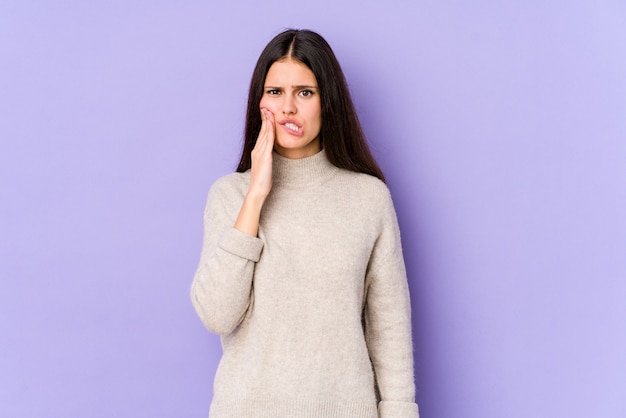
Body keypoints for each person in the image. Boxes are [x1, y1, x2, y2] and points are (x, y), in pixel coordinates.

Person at [191, 29, 419, 418]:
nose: (288, 108)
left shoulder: (368, 198)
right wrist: (257, 195)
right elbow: (217, 314)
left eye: (305, 92)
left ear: (327, 101)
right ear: (259, 102)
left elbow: (390, 335)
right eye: (275, 92)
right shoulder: (230, 195)